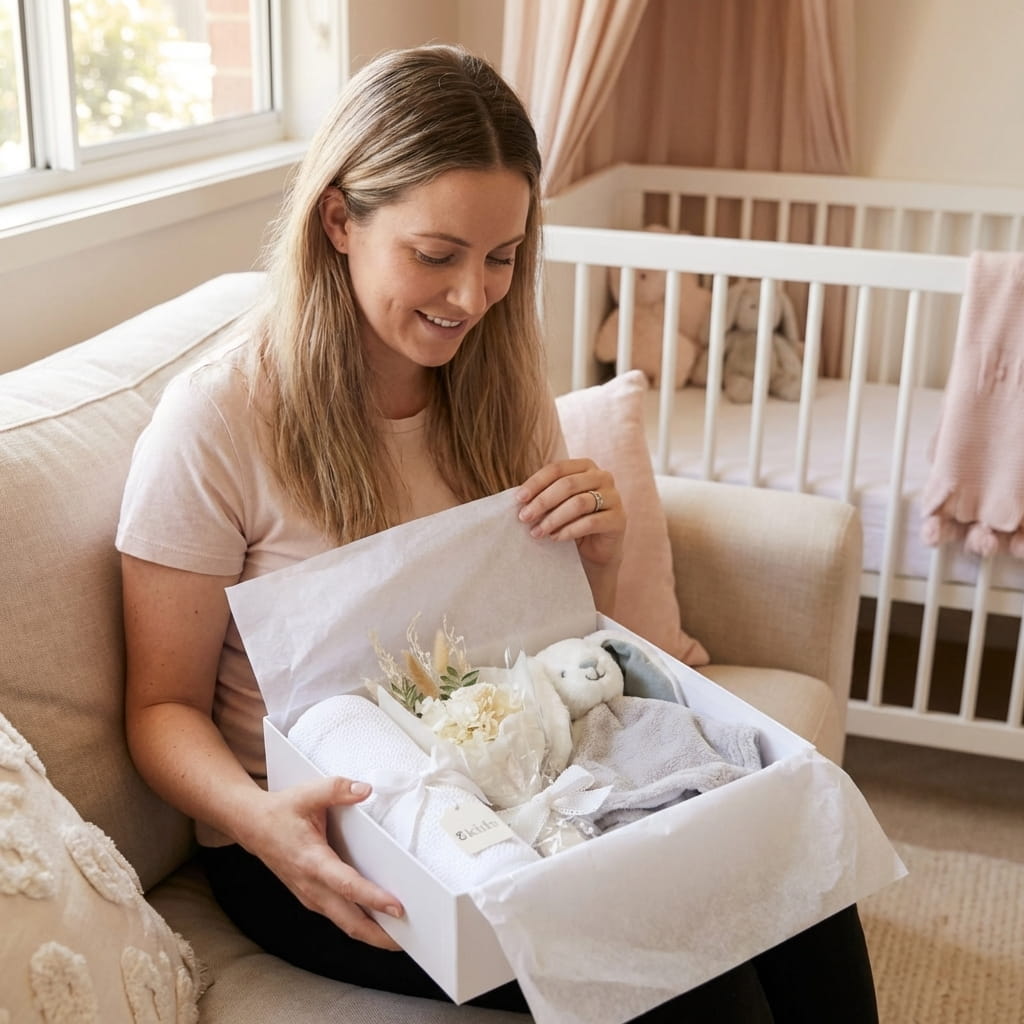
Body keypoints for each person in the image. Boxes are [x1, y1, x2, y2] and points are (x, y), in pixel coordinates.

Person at [117, 44, 878, 1023]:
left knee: (792, 859)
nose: (472, 297)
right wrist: (263, 822)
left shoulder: (499, 388)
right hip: (329, 836)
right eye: (436, 255)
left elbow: (550, 646)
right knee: (695, 974)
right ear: (340, 220)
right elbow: (161, 707)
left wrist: (596, 556)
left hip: (523, 780)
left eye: (502, 257)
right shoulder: (215, 423)